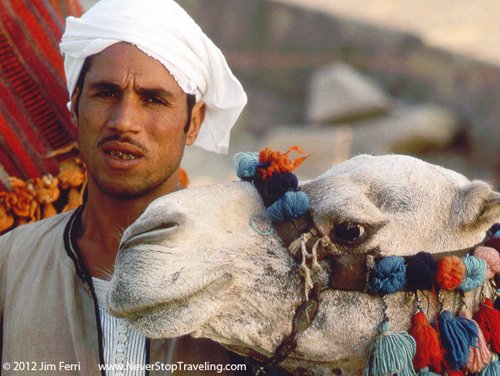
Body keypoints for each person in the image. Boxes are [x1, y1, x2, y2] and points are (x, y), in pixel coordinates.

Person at [0, 0, 248, 375]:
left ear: (193, 122)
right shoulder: (12, 264)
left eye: (153, 99)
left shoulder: (240, 271)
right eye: (106, 93)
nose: (124, 121)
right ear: (75, 103)